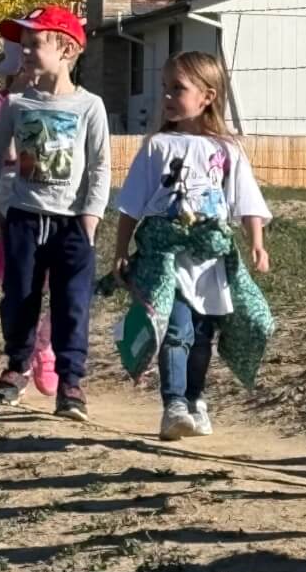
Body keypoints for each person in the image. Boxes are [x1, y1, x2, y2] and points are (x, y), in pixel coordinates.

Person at [109, 51, 272, 440]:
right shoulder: (158, 147)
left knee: (203, 334)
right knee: (176, 328)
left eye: (177, 88)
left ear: (207, 96)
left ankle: (196, 399)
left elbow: (246, 201)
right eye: (164, 88)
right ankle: (174, 404)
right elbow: (132, 204)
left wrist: (257, 243)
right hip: (167, 258)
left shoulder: (228, 149)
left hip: (210, 260)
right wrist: (119, 248)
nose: (166, 96)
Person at [0, 5, 111, 422]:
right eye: (23, 45)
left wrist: (91, 214)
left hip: (72, 224)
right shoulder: (17, 104)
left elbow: (100, 163)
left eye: (36, 43)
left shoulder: (90, 106)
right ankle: (17, 367)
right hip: (23, 217)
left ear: (67, 50)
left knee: (72, 303)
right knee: (19, 298)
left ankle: (71, 382)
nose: (26, 52)